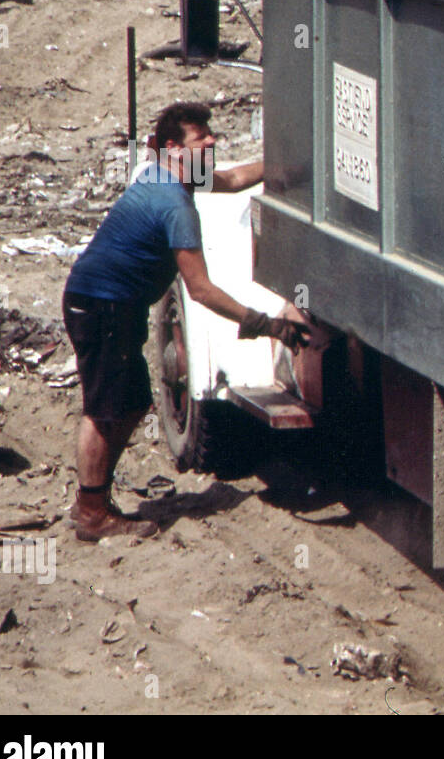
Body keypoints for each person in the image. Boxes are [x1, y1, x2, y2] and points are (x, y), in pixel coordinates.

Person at [62, 101, 308, 542]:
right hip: (103, 308)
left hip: (112, 304)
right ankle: (91, 512)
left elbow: (232, 180)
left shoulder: (164, 174)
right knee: (102, 412)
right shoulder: (174, 204)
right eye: (202, 139)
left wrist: (288, 165)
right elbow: (202, 290)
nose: (212, 142)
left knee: (133, 402)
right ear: (174, 148)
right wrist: (266, 324)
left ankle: (94, 499)